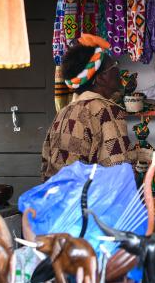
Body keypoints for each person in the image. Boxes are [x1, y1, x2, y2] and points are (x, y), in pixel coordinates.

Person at [40, 34, 131, 180]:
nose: (118, 70)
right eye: (114, 65)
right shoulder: (106, 111)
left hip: (60, 194)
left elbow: (46, 165)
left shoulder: (63, 112)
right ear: (101, 78)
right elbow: (117, 171)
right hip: (89, 194)